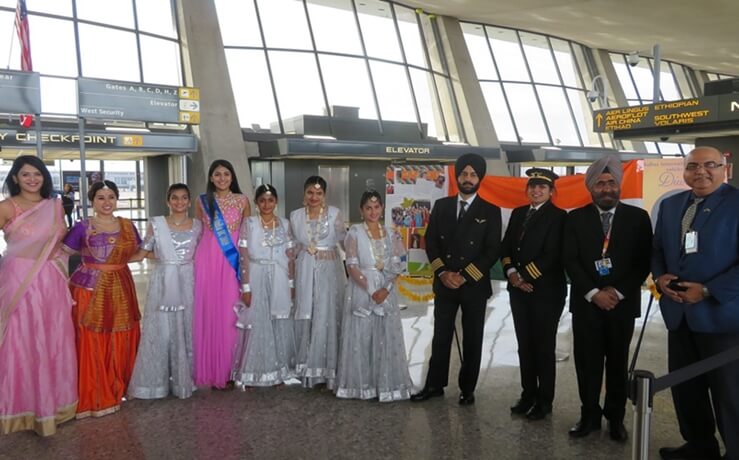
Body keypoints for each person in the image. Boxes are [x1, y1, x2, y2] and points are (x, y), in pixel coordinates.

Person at [652, 146, 739, 460]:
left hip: (722, 317)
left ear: (724, 168)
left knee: (730, 393)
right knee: (686, 389)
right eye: (693, 166)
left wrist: (705, 291)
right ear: (684, 171)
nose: (701, 172)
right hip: (679, 315)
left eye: (710, 165)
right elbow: (658, 248)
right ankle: (700, 446)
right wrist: (660, 277)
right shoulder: (672, 204)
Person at [563, 155, 652, 442]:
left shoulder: (638, 218)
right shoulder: (575, 218)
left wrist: (615, 292)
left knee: (617, 362)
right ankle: (588, 415)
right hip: (587, 304)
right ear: (591, 188)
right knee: (586, 363)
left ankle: (616, 418)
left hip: (621, 305)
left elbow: (643, 261)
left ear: (619, 185)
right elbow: (570, 260)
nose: (606, 188)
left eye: (611, 182)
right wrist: (593, 294)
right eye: (600, 183)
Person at [411, 153, 502, 406]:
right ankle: (434, 384)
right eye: (464, 174)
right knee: (440, 336)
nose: (468, 179)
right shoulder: (442, 206)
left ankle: (468, 388)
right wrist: (443, 273)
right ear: (457, 176)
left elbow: (492, 249)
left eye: (473, 175)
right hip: (445, 283)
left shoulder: (491, 211)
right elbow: (431, 243)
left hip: (473, 285)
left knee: (473, 338)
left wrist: (465, 276)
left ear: (480, 178)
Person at [0, 156, 77, 436]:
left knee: (54, 337)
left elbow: (63, 242)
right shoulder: (7, 207)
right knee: (22, 339)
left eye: (37, 174)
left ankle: (55, 404)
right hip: (20, 279)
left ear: (45, 177)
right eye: (25, 175)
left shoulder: (55, 205)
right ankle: (20, 406)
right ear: (15, 178)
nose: (32, 179)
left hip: (52, 280)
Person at [63, 180, 143, 418]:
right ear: (92, 201)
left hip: (120, 285)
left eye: (111, 197)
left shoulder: (128, 226)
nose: (106, 202)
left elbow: (138, 254)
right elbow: (63, 254)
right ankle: (94, 394)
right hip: (88, 289)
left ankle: (120, 387)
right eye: (100, 197)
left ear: (117, 199)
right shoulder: (81, 227)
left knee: (122, 335)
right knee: (91, 339)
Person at [501, 168, 567, 420]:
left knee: (543, 346)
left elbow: (554, 253)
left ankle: (544, 400)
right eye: (532, 186)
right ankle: (528, 393)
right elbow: (506, 247)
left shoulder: (559, 217)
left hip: (546, 292)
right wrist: (512, 274)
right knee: (524, 345)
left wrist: (525, 276)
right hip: (518, 290)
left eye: (542, 187)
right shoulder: (518, 213)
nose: (536, 191)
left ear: (551, 192)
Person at [336, 190, 413, 402]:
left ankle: (386, 384)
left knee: (384, 334)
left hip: (386, 288)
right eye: (368, 208)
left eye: (377, 207)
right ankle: (361, 385)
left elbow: (398, 264)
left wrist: (385, 289)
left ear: (382, 209)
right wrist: (371, 291)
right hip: (362, 289)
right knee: (362, 334)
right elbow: (351, 264)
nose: (373, 211)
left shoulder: (391, 233)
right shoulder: (355, 233)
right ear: (361, 210)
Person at [128, 184, 202, 400]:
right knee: (162, 329)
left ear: (189, 202)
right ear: (168, 201)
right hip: (163, 281)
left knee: (186, 326)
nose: (179, 202)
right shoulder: (157, 224)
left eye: (184, 198)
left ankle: (184, 380)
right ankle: (156, 383)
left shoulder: (198, 226)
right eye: (175, 198)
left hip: (188, 279)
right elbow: (143, 253)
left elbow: (203, 254)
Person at [193, 159, 251, 389]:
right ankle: (213, 369)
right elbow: (197, 231)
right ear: (210, 178)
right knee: (211, 311)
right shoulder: (202, 201)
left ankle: (232, 367)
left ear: (232, 177)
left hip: (233, 259)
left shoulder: (242, 200)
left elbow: (248, 232)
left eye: (226, 174)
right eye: (217, 174)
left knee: (230, 311)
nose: (222, 178)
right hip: (207, 258)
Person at [231, 184, 296, 387]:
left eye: (270, 200)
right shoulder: (249, 223)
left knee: (277, 320)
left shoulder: (284, 224)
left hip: (279, 277)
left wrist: (291, 283)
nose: (267, 204)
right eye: (262, 200)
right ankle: (253, 371)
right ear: (256, 203)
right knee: (257, 322)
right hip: (256, 275)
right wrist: (246, 287)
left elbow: (290, 256)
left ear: (276, 202)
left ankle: (277, 370)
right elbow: (243, 256)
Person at [290, 176, 346, 389]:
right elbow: (292, 247)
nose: (314, 197)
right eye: (310, 193)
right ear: (304, 194)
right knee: (307, 312)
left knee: (326, 312)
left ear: (325, 195)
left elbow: (345, 243)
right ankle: (307, 366)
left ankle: (327, 368)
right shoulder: (295, 216)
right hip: (304, 267)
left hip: (329, 270)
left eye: (319, 193)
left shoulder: (334, 214)